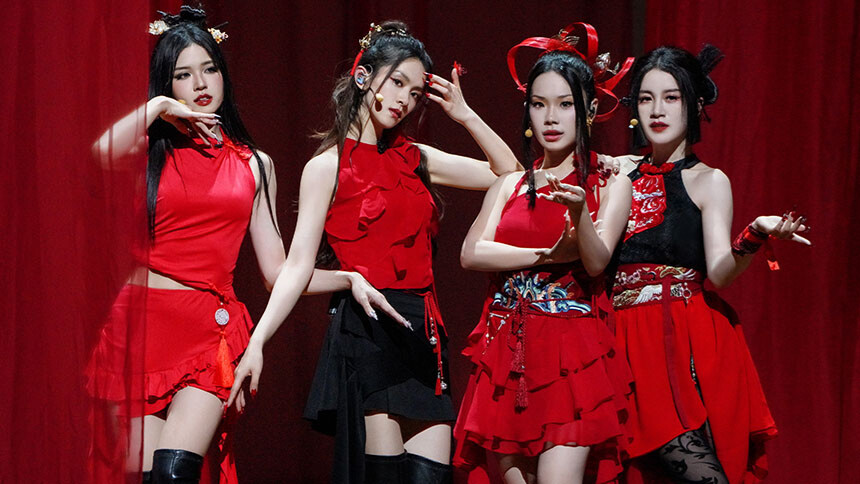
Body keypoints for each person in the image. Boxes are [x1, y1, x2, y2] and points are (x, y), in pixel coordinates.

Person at [226, 21, 519, 484]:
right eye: (397, 82)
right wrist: (257, 343)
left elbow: (509, 174)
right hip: (368, 329)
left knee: (432, 476)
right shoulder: (326, 167)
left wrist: (464, 115)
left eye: (415, 93)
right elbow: (295, 268)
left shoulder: (415, 157)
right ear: (364, 77)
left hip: (423, 332)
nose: (404, 100)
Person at [87, 6, 285, 483]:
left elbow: (277, 272)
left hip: (208, 332)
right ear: (167, 85)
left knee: (174, 473)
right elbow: (99, 154)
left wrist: (349, 278)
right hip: (139, 327)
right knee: (137, 475)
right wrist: (158, 108)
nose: (200, 83)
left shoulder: (255, 164)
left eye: (209, 69)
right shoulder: (149, 150)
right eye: (182, 75)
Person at [611, 45, 809, 484]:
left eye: (671, 97)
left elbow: (719, 272)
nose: (657, 110)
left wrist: (754, 233)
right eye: (645, 98)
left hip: (682, 342)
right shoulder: (616, 172)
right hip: (619, 340)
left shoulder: (709, 180)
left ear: (696, 103)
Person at [452, 24, 635, 484]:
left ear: (589, 110)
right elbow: (471, 253)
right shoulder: (511, 183)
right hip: (507, 349)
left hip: (572, 354)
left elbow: (596, 261)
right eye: (538, 104)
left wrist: (581, 215)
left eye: (565, 104)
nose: (550, 117)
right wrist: (547, 255)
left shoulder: (610, 182)